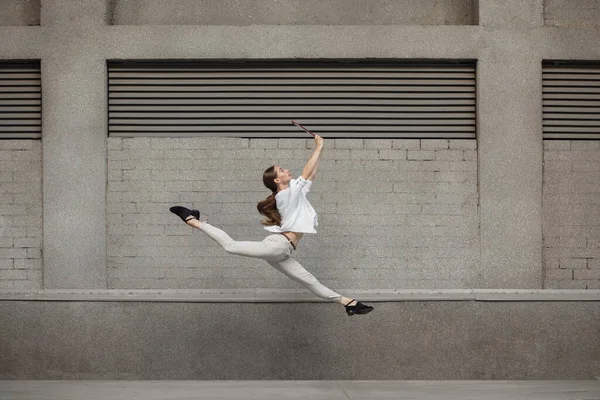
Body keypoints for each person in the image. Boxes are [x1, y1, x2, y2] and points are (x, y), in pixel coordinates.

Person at [169, 134, 373, 316]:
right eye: (282, 170)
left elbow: (311, 174)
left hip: (283, 251)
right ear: (277, 179)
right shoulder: (284, 195)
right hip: (277, 246)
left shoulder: (295, 193)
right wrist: (318, 147)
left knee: (309, 281)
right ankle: (192, 219)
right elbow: (305, 171)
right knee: (230, 246)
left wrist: (322, 149)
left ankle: (348, 303)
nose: (286, 170)